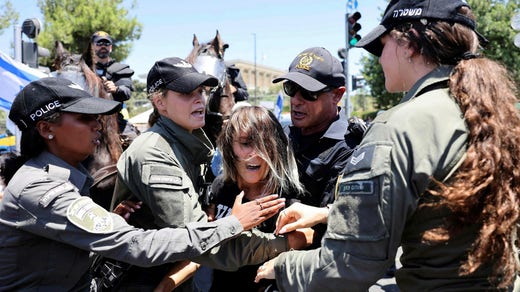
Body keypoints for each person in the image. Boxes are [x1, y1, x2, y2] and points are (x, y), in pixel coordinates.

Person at [255, 0, 520, 290]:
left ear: (409, 45)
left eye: (381, 47)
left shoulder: (397, 127)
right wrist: (328, 213)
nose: (380, 59)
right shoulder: (499, 116)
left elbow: (350, 263)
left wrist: (283, 268)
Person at [0, 77, 286, 290]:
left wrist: (107, 222)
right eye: (84, 118)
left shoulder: (55, 179)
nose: (98, 124)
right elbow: (138, 246)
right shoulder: (41, 189)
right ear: (46, 129)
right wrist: (231, 224)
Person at [111, 57, 311, 291]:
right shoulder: (155, 154)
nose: (200, 99)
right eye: (186, 93)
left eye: (201, 91)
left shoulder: (186, 147)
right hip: (143, 280)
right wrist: (241, 226)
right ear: (160, 102)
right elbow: (200, 243)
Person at [272, 46, 365, 248]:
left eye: (308, 93)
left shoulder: (349, 149)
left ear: (337, 95)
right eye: (290, 88)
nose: (296, 100)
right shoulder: (283, 135)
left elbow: (341, 225)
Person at [206, 105, 306, 292]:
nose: (255, 154)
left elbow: (308, 239)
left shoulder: (288, 195)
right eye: (245, 143)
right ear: (230, 146)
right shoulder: (220, 187)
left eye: (264, 144)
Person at [82, 31, 136, 136]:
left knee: (134, 141)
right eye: (99, 43)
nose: (103, 46)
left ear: (110, 48)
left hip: (114, 120)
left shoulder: (121, 69)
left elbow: (126, 92)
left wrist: (116, 89)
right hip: (86, 119)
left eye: (106, 44)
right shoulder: (83, 69)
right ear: (92, 47)